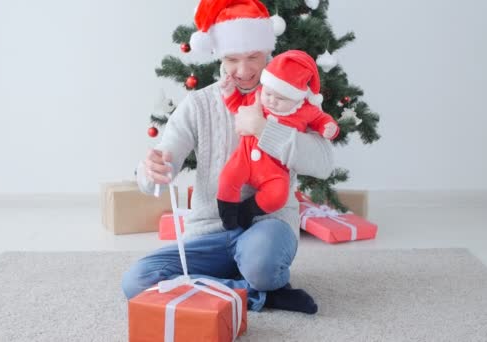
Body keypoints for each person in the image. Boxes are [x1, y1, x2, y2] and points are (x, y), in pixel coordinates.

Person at [121, 0, 335, 314]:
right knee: (137, 282)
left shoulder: (293, 102)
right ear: (219, 54)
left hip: (267, 229)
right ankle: (258, 294)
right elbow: (161, 164)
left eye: (253, 57)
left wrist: (265, 130)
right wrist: (149, 172)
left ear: (268, 52)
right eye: (233, 59)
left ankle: (225, 285)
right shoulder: (199, 105)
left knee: (261, 262)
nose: (244, 71)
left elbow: (325, 163)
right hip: (207, 234)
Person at [217, 50, 340, 230]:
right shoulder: (258, 96)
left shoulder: (305, 110)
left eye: (281, 98)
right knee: (227, 179)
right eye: (269, 94)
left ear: (296, 97)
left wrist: (329, 128)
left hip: (274, 169)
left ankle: (247, 211)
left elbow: (322, 120)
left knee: (277, 196)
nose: (272, 101)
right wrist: (228, 92)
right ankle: (228, 216)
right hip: (243, 158)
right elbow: (236, 104)